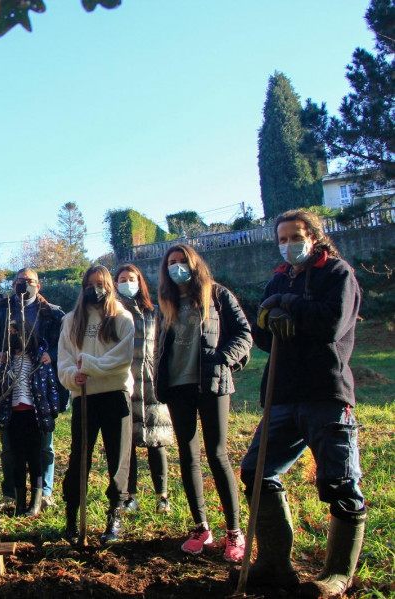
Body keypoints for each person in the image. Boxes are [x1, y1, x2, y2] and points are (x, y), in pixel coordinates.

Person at [238, 210, 365, 598]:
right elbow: (263, 336)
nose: (288, 243)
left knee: (340, 482)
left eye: (296, 235)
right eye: (282, 238)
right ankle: (275, 563)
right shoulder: (278, 277)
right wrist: (270, 312)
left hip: (326, 393)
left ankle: (337, 574)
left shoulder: (337, 274)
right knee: (257, 473)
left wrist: (286, 303)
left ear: (313, 236)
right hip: (281, 395)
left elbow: (332, 324)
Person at [155, 244, 252, 563]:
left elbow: (243, 334)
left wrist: (223, 359)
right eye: (172, 263)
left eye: (182, 262)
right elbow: (160, 348)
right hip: (177, 386)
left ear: (194, 264)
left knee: (218, 454)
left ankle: (235, 532)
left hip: (211, 384)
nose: (177, 267)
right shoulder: (165, 303)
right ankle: (201, 527)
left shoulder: (217, 295)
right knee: (188, 455)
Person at [58, 265, 135, 544]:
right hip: (84, 396)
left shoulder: (122, 318)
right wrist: (72, 376)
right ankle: (72, 517)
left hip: (115, 395)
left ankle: (114, 516)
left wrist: (90, 366)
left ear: (109, 286)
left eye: (100, 283)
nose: (95, 289)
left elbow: (122, 359)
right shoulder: (71, 320)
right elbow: (64, 359)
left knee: (118, 459)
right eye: (89, 284)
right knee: (79, 457)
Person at [0, 268, 66, 509]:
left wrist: (51, 355)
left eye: (31, 281)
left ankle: (44, 493)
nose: (26, 285)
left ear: (39, 285)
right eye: (21, 281)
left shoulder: (53, 314)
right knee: (9, 447)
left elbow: (63, 345)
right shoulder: (1, 310)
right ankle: (10, 494)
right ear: (14, 284)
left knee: (44, 446)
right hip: (10, 385)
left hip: (39, 386)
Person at [115, 264, 173, 515]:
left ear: (140, 282)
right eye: (122, 279)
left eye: (132, 278)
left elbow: (164, 346)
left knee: (156, 441)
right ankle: (131, 496)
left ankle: (162, 496)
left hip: (152, 383)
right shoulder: (113, 313)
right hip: (124, 382)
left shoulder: (155, 313)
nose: (127, 283)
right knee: (126, 445)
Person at [0, 321, 59, 517]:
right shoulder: (6, 361)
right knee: (17, 458)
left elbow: (51, 386)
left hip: (34, 415)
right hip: (13, 415)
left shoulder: (39, 359)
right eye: (10, 332)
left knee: (35, 458)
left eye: (17, 332)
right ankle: (19, 502)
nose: (14, 335)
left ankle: (36, 501)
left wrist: (52, 410)